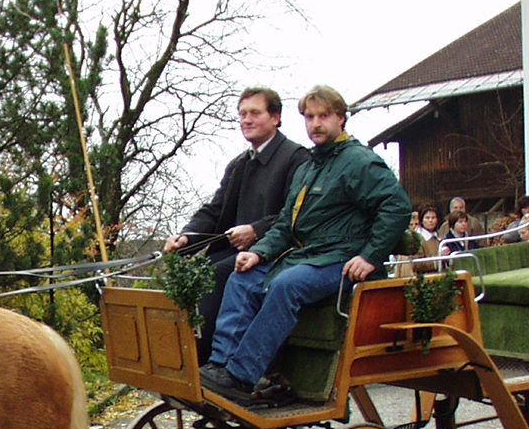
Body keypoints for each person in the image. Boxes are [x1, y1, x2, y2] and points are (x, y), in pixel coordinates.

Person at [199, 84, 413, 407]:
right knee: (243, 276)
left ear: (341, 118)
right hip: (309, 257)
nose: (315, 124)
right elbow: (286, 225)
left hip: (342, 260)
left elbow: (396, 207)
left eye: (323, 116)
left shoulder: (359, 162)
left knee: (287, 285)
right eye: (309, 117)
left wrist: (369, 256)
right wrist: (257, 253)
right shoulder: (309, 168)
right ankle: (220, 366)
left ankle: (242, 376)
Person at [163, 86, 310, 360]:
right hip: (235, 250)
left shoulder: (296, 158)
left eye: (255, 113)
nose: (246, 120)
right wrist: (187, 237)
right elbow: (215, 210)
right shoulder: (239, 164)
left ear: (276, 117)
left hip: (279, 252)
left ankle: (210, 360)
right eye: (242, 114)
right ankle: (179, 354)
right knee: (192, 272)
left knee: (216, 274)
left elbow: (294, 214)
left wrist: (256, 231)